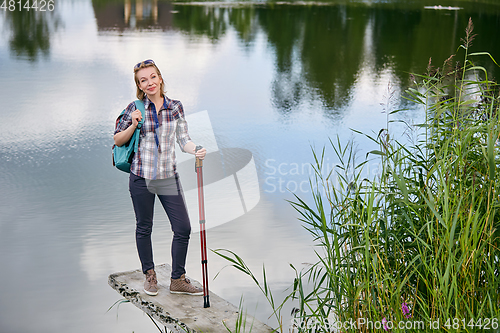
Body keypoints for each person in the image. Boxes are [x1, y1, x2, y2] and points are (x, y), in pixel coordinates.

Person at [114, 59, 206, 296]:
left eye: (153, 77)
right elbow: (117, 140)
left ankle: (177, 279)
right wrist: (133, 124)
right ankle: (150, 275)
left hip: (167, 177)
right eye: (143, 80)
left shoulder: (175, 107)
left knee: (183, 228)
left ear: (160, 78)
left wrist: (195, 149)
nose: (150, 82)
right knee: (144, 227)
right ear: (139, 85)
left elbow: (183, 139)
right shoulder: (134, 108)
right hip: (141, 177)